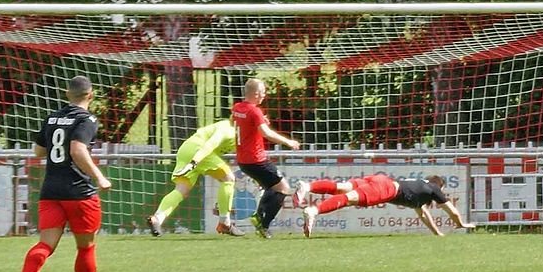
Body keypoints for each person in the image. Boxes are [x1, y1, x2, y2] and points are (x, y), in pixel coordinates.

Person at [12, 75, 113, 272]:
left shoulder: (52, 117)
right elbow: (77, 150)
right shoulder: (87, 120)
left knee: (45, 244)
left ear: (67, 94)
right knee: (86, 248)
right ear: (91, 95)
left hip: (51, 191)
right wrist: (99, 177)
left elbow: (38, 151)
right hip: (79, 192)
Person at [145, 119, 244, 237]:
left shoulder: (240, 132)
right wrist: (194, 161)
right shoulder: (228, 130)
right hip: (198, 150)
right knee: (229, 178)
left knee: (182, 190)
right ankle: (225, 223)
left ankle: (157, 218)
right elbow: (210, 145)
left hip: (186, 149)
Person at [295, 174, 473, 237]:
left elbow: (423, 214)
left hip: (380, 179)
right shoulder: (434, 188)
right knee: (348, 199)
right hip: (386, 188)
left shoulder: (420, 187)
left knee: (340, 187)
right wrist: (460, 224)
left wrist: (437, 233)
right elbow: (452, 211)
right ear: (440, 186)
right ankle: (313, 210)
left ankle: (308, 186)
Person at [232, 78, 300, 238]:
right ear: (256, 93)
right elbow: (266, 133)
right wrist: (288, 142)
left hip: (243, 161)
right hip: (256, 160)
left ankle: (259, 218)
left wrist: (260, 121)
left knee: (272, 188)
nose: (264, 95)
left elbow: (241, 123)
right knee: (283, 188)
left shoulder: (237, 108)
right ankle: (263, 223)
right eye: (263, 92)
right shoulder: (254, 111)